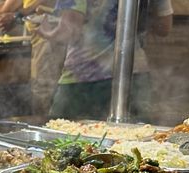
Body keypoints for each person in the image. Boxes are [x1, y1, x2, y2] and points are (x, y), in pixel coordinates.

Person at [40, 0, 173, 120]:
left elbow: (69, 31)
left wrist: (46, 32)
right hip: (134, 74)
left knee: (61, 134)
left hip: (85, 76)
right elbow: (164, 27)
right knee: (134, 140)